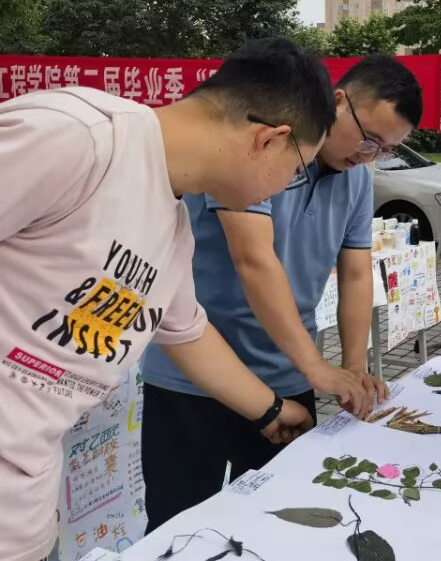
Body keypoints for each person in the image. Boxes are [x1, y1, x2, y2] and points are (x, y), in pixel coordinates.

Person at [0, 37, 329, 561]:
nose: (285, 188)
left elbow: (187, 332)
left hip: (24, 506)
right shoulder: (80, 139)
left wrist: (271, 410)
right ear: (270, 139)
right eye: (298, 170)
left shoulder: (173, 228)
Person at [140, 55, 423, 531]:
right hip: (194, 376)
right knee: (178, 526)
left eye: (385, 149)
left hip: (286, 379)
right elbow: (254, 259)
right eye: (368, 138)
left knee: (281, 525)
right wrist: (316, 366)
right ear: (338, 102)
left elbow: (356, 273)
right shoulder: (262, 152)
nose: (368, 155)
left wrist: (353, 367)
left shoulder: (356, 179)